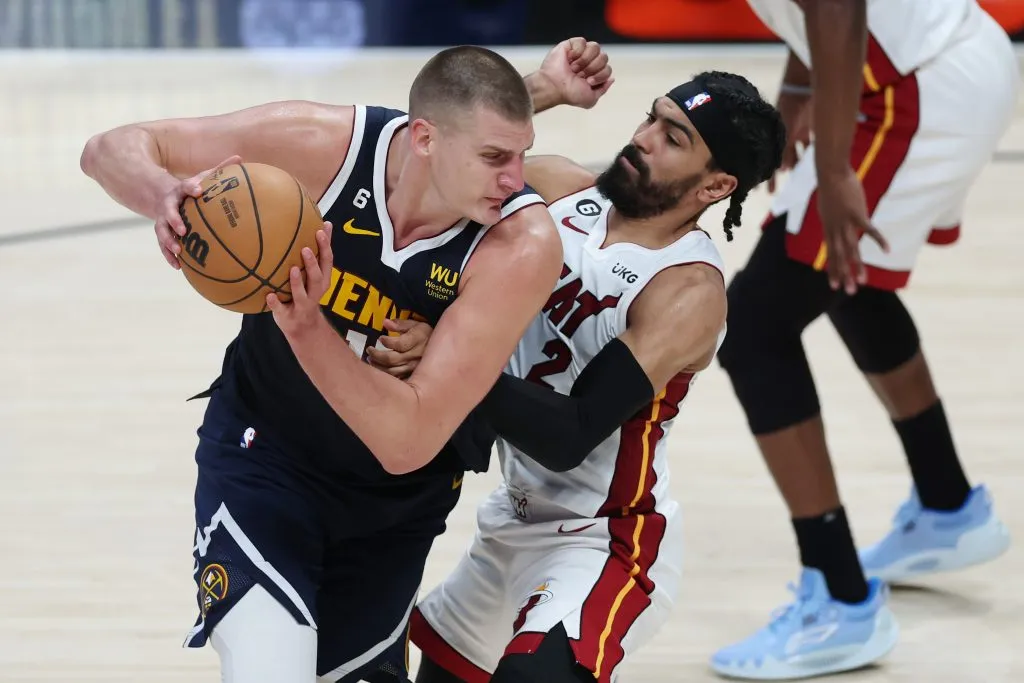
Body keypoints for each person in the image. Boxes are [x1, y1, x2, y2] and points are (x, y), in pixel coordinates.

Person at [79, 39, 614, 683]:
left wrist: (308, 329)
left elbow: (408, 442)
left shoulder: (520, 244)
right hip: (265, 457)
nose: (514, 177)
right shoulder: (322, 144)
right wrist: (162, 192)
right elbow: (113, 147)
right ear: (423, 141)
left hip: (394, 505)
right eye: (496, 157)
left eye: (521, 157)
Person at [369, 71, 786, 683]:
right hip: (511, 519)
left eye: (673, 138)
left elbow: (574, 433)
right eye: (651, 118)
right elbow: (441, 152)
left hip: (604, 540)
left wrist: (447, 359)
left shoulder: (686, 289)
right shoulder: (561, 188)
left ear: (717, 184)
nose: (643, 138)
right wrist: (544, 86)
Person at [711, 0, 1018, 678]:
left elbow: (835, 5)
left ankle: (840, 601)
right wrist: (799, 87)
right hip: (945, 62)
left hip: (913, 91)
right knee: (851, 278)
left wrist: (835, 166)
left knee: (755, 329)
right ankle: (947, 505)